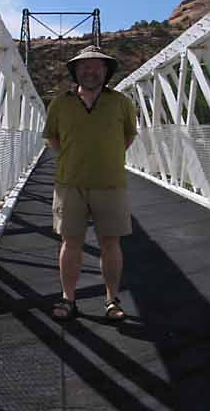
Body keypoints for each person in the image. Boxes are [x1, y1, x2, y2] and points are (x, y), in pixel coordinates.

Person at [46, 49, 142, 320]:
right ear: (75, 72)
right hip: (69, 184)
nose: (90, 71)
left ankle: (112, 300)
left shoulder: (121, 102)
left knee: (110, 244)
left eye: (96, 67)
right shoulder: (60, 103)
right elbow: (52, 139)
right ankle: (68, 300)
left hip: (110, 184)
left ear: (106, 71)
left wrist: (104, 158)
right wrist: (74, 158)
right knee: (70, 243)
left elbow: (128, 136)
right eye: (84, 67)